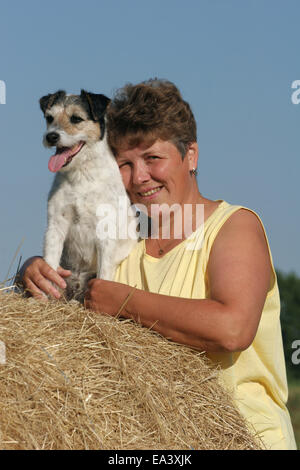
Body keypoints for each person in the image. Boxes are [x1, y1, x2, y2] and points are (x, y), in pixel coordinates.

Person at [19, 79, 296, 450]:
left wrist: (123, 301)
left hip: (247, 438)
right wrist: (34, 274)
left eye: (152, 158)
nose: (139, 178)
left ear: (191, 155)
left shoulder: (234, 227)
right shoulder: (124, 250)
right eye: (124, 164)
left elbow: (231, 329)